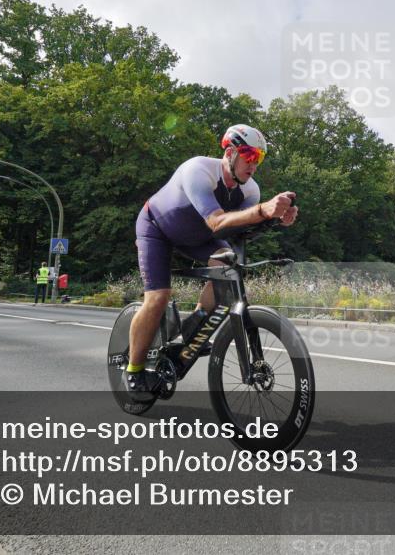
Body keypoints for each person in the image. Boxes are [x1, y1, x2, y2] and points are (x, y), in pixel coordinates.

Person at [126, 124, 298, 394]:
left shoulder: (251, 190)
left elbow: (240, 228)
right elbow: (217, 221)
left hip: (197, 236)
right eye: (249, 156)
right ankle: (134, 370)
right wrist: (264, 211)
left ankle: (193, 324)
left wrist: (275, 220)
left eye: (259, 158)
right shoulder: (199, 170)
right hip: (157, 228)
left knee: (228, 267)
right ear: (230, 153)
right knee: (158, 297)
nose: (254, 165)